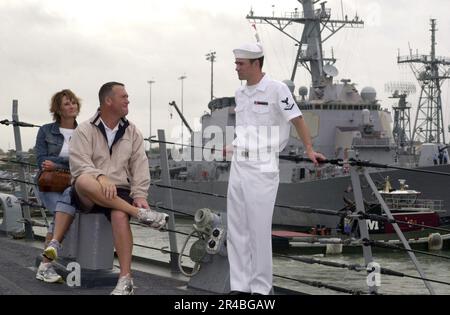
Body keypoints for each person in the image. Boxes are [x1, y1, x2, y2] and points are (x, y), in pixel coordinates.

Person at [43, 82, 169, 295]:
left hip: (119, 189)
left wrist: (139, 194)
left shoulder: (132, 132)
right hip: (90, 189)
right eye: (124, 97)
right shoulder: (84, 129)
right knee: (82, 180)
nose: (128, 100)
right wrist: (101, 177)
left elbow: (140, 165)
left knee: (120, 216)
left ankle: (125, 279)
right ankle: (140, 215)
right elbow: (79, 163)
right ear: (108, 101)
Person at [227, 43, 326, 295]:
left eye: (241, 64)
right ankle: (240, 286)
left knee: (259, 229)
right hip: (239, 162)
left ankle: (260, 290)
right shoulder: (241, 93)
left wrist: (309, 149)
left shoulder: (277, 89)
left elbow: (297, 119)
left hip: (262, 165)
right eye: (236, 63)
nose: (236, 67)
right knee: (237, 228)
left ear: (256, 64)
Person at [35, 89, 81, 283]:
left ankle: (45, 266)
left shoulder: (85, 131)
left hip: (73, 182)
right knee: (59, 214)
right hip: (49, 183)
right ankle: (46, 266)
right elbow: (41, 161)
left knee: (59, 217)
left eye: (74, 102)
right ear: (58, 110)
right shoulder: (46, 130)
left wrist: (58, 164)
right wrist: (66, 164)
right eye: (67, 104)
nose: (72, 106)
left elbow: (86, 161)